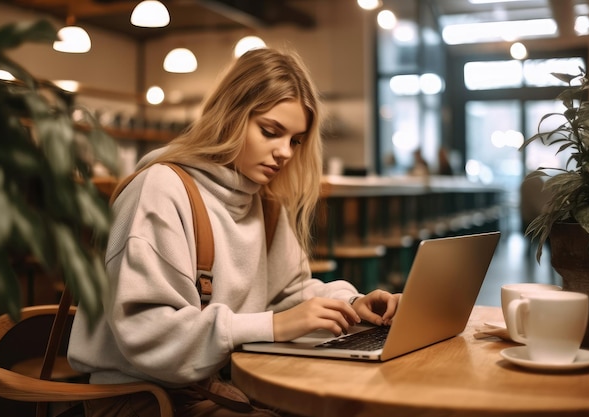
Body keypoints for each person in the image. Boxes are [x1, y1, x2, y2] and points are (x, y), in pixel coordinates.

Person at [68, 47, 401, 417]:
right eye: (270, 131)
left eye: (295, 140)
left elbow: (289, 293)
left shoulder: (264, 201)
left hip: (218, 386)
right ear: (229, 116)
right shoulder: (160, 190)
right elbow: (149, 336)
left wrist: (351, 305)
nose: (285, 152)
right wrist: (272, 326)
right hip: (143, 398)